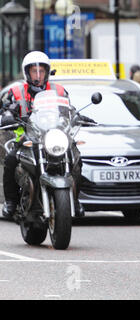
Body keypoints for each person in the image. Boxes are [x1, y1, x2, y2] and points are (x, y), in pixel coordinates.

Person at [0, 51, 85, 219]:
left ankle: (74, 200)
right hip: (26, 137)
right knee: (10, 159)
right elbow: (6, 109)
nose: (38, 75)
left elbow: (69, 110)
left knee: (76, 157)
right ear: (27, 73)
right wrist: (9, 114)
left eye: (41, 71)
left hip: (54, 137)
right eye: (34, 71)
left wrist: (78, 117)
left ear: (47, 72)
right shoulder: (17, 91)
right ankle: (10, 202)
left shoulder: (58, 90)